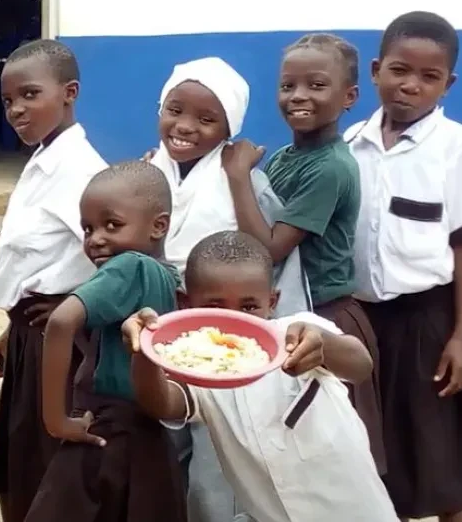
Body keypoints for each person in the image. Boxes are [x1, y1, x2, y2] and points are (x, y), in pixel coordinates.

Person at [121, 230, 398, 522]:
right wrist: (143, 351)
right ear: (185, 303)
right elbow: (162, 403)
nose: (234, 320)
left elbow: (360, 365)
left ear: (272, 302)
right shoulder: (197, 365)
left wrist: (324, 346)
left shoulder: (299, 333)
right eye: (214, 307)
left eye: (249, 307)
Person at [345, 11, 462, 522]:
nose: (411, 85)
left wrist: (460, 337)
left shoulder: (456, 146)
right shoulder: (351, 145)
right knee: (384, 465)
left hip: (432, 323)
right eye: (399, 70)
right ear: (375, 71)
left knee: (448, 468)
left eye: (429, 77)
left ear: (447, 84)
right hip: (367, 325)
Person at [146, 56, 308, 522]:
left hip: (225, 344)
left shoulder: (247, 184)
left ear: (228, 129)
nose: (185, 126)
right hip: (159, 334)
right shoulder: (147, 175)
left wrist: (274, 344)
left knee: (217, 458)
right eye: (175, 110)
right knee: (163, 444)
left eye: (206, 119)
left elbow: (274, 267)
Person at [221, 33, 384, 474]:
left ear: (349, 97)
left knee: (331, 454)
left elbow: (269, 249)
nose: (298, 96)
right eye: (287, 85)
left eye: (316, 85)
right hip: (291, 310)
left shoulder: (331, 167)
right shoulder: (284, 157)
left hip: (326, 319)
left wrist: (238, 178)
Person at [0, 39, 107, 522]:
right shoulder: (43, 159)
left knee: (47, 472)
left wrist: (76, 304)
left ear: (69, 92)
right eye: (8, 99)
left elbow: (120, 261)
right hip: (30, 335)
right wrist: (10, 330)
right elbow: (43, 263)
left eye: (30, 94)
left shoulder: (80, 172)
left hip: (60, 343)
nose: (16, 109)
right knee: (19, 462)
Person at [25, 162, 186, 522]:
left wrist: (56, 421)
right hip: (148, 432)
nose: (96, 238)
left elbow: (61, 321)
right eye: (88, 228)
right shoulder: (168, 277)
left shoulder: (131, 266)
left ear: (158, 226)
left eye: (112, 224)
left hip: (105, 429)